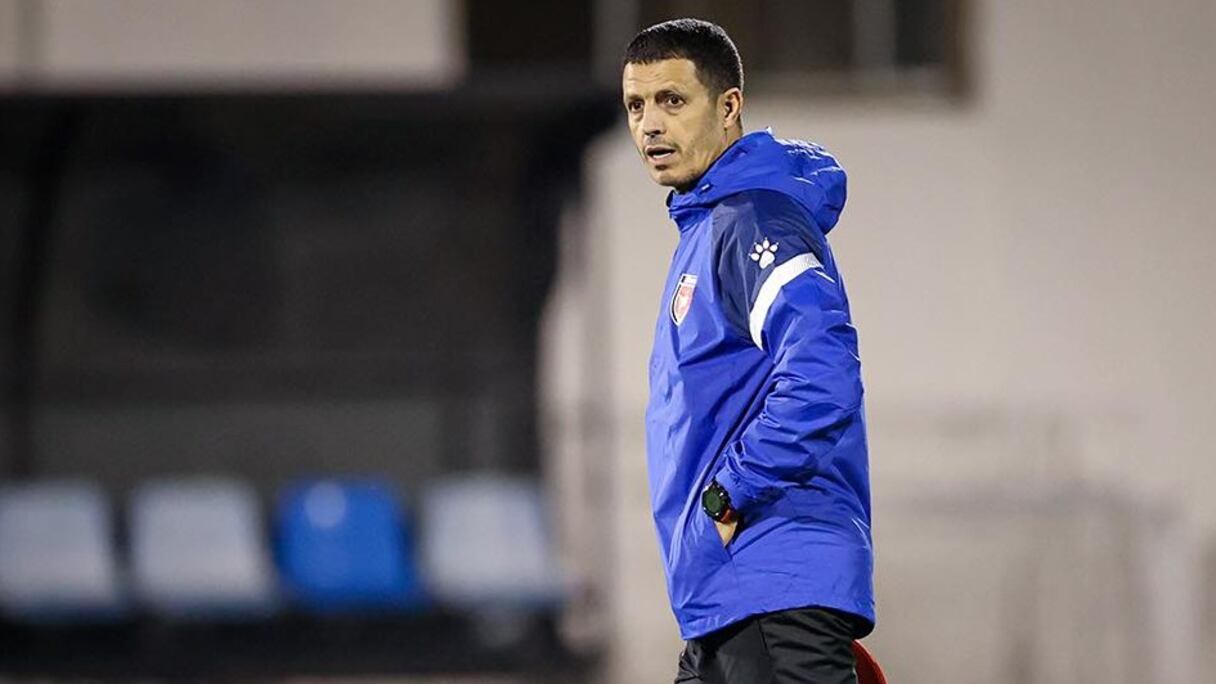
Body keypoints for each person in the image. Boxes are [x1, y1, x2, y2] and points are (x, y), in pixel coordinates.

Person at [622, 18, 875, 683]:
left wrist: (728, 494)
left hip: (774, 585)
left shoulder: (755, 222)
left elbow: (823, 377)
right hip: (730, 596)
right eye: (636, 106)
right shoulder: (709, 229)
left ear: (728, 106)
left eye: (672, 100)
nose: (650, 125)